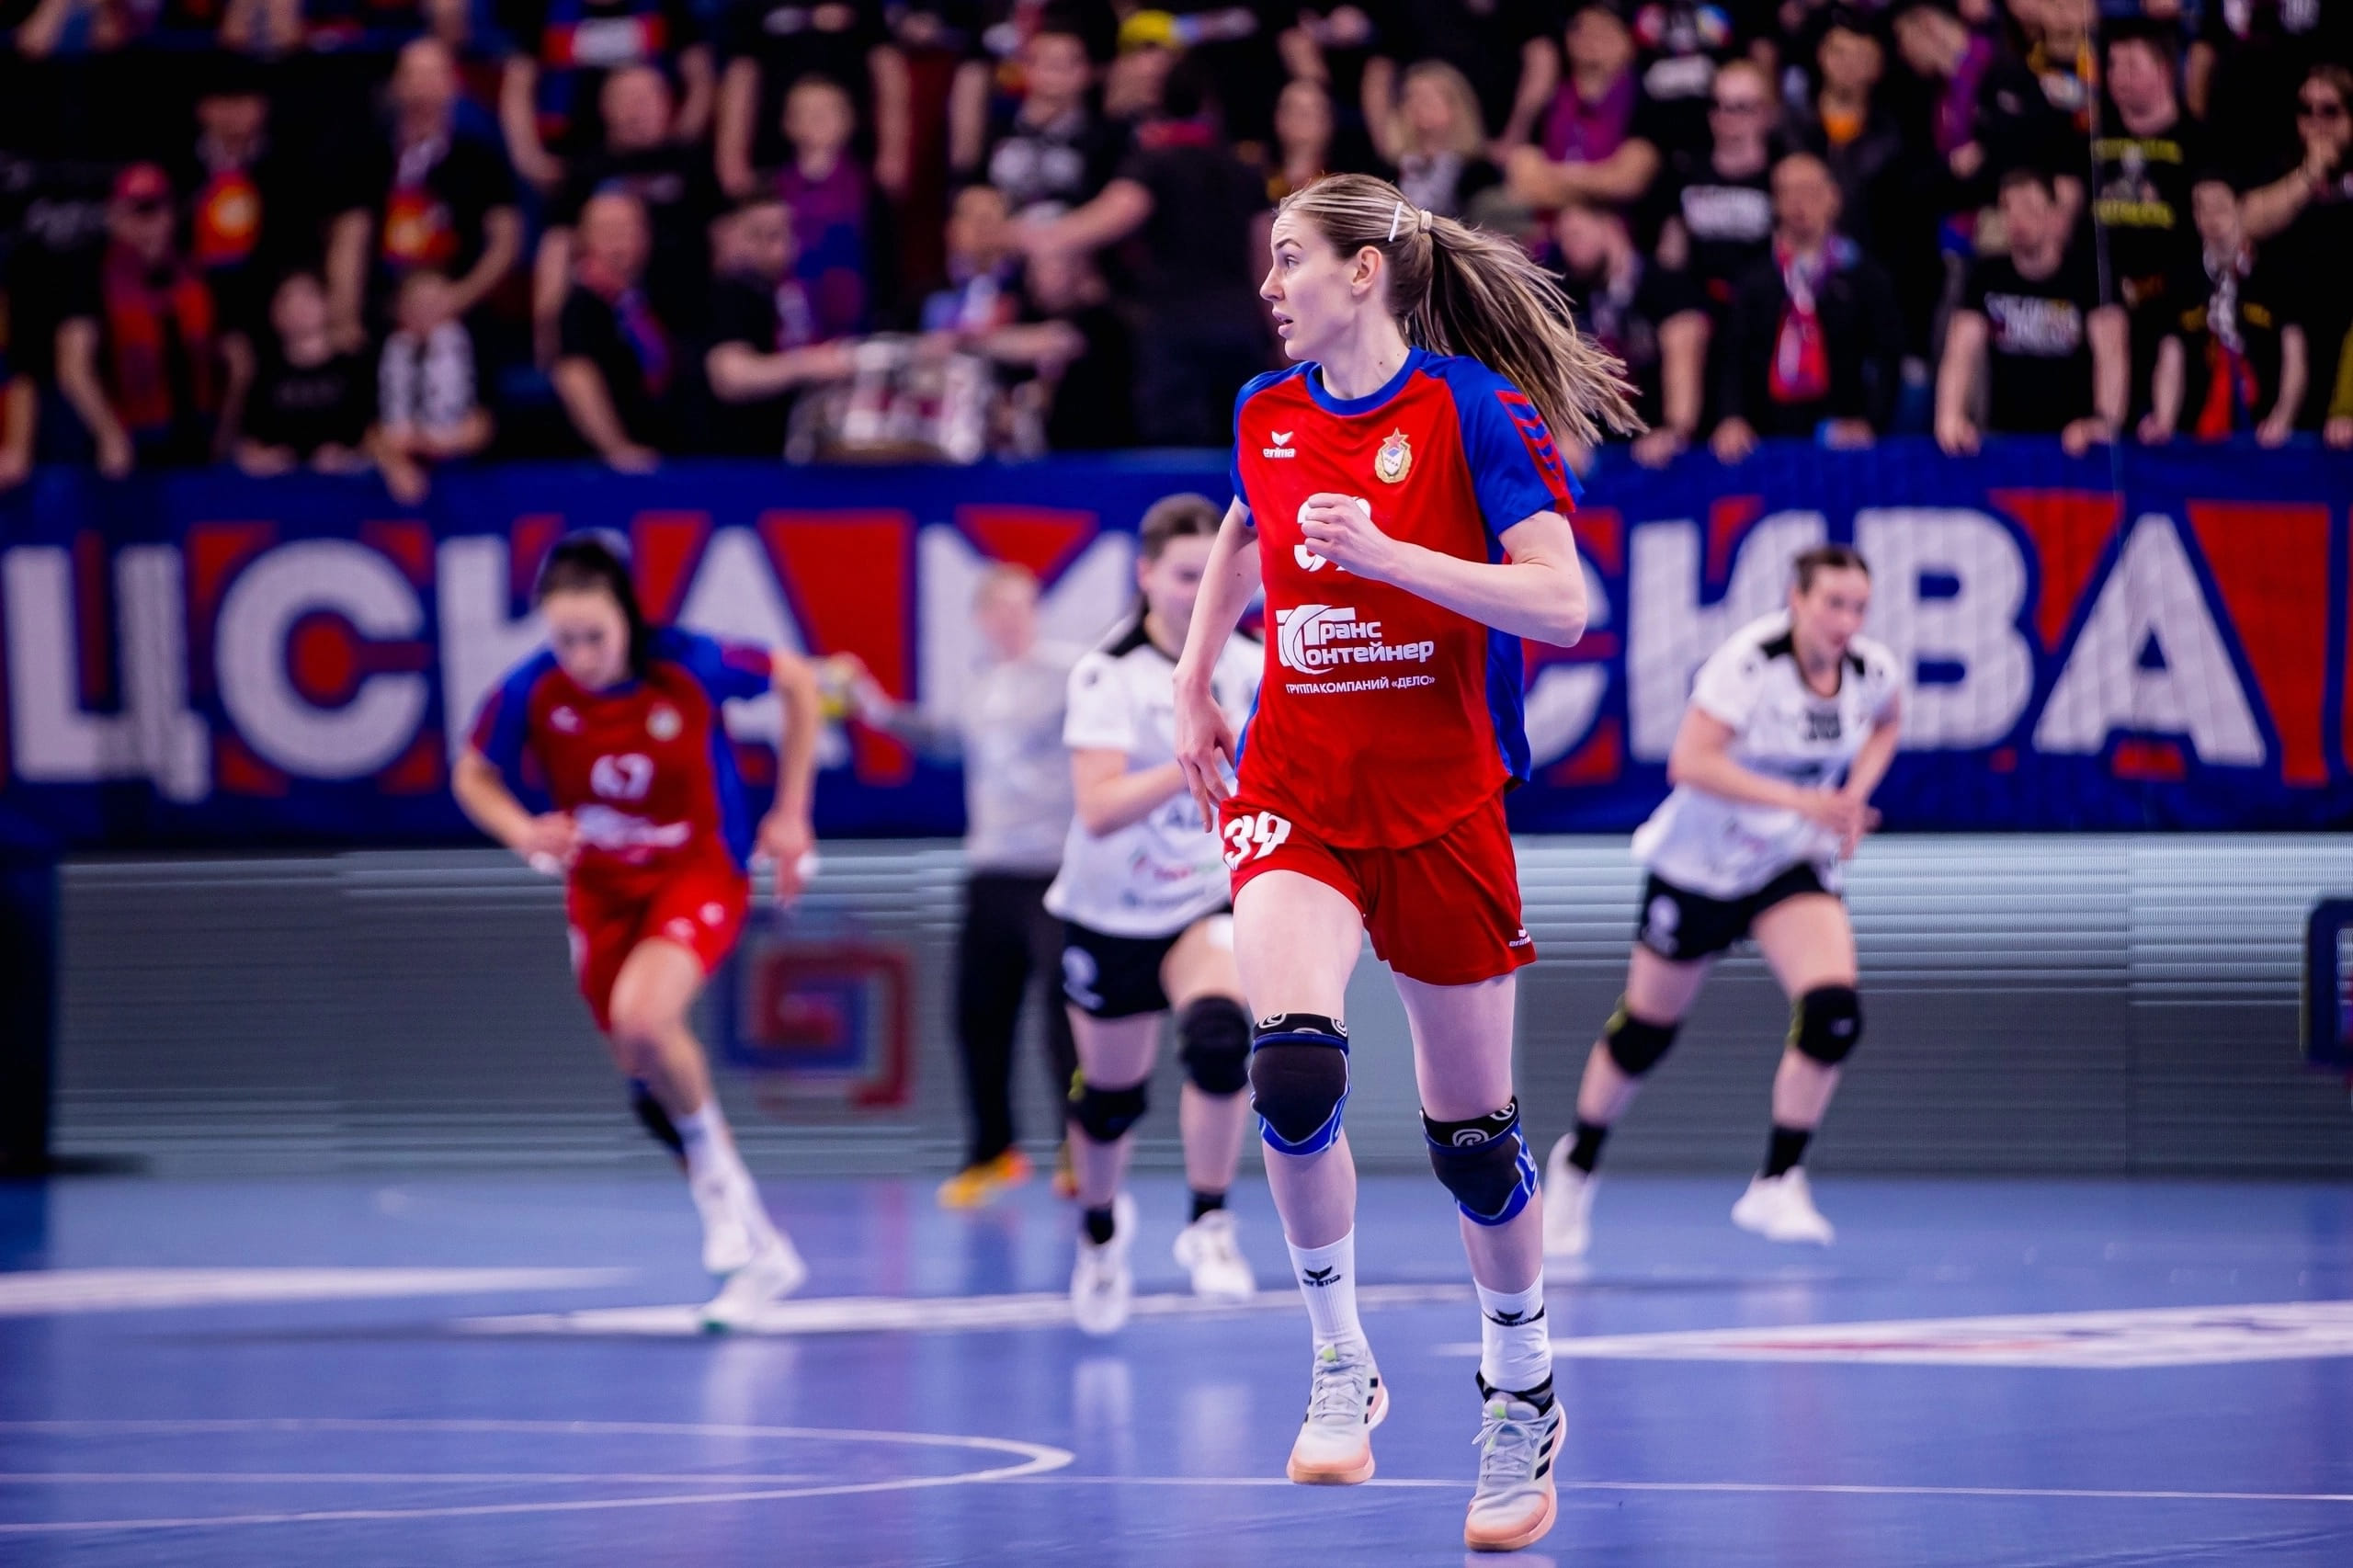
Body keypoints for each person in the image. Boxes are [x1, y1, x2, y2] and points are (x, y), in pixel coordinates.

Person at [1171, 172, 1639, 1552]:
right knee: (1291, 1068)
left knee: (1473, 1143)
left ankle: (1522, 1383)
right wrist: (1195, 673)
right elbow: (1247, 525)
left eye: (1291, 258)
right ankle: (1338, 1356)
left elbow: (1561, 602)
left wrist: (1392, 557)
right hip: (1297, 789)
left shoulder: (1470, 411)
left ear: (1364, 270)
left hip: (1442, 805)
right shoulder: (1266, 411)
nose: (1270, 285)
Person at [454, 531, 823, 1329]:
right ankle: (760, 1247)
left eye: (595, 636)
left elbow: (797, 679)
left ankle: (724, 1200)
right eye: (565, 640)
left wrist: (792, 811)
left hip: (698, 869)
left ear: (626, 617)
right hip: (600, 893)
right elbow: (474, 772)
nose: (581, 656)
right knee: (643, 1069)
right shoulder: (534, 690)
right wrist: (521, 830)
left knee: (646, 1019)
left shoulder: (687, 664)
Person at [1541, 544, 1903, 1261]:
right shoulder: (1750, 665)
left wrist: (1849, 800)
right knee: (1646, 1032)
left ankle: (1778, 1179)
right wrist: (1803, 799)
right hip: (1700, 865)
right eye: (1832, 604)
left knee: (1833, 1012)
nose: (1845, 621)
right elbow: (1691, 762)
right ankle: (1577, 1163)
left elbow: (1888, 723)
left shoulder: (1872, 671)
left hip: (1787, 863)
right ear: (1797, 601)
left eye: (1858, 607)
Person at [1051, 494, 1265, 1329]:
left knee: (1219, 1039)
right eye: (1183, 574)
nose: (1197, 590)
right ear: (1145, 576)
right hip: (1110, 911)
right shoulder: (1107, 673)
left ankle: (1209, 1222)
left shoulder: (1250, 662)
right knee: (1109, 1098)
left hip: (1201, 896)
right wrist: (1191, 756)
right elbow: (1098, 807)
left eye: (1212, 572)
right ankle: (1101, 1234)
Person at [850, 565, 1084, 1209]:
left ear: (1035, 612)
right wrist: (873, 707)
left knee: (1065, 1015)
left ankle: (1080, 1146)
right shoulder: (978, 686)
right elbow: (942, 741)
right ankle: (992, 1152)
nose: (1012, 620)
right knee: (977, 1016)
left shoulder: (1073, 673)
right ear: (981, 619)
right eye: (999, 609)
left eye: (1022, 607)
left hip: (1057, 871)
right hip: (990, 872)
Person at [1711, 152, 1903, 460]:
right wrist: (1732, 419)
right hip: (1766, 437)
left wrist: (1870, 423)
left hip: (1844, 434)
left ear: (1834, 198)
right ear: (1775, 203)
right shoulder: (1754, 280)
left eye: (1810, 191)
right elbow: (1733, 357)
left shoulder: (1865, 276)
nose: (1799, 203)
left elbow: (1887, 357)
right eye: (1787, 192)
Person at [1936, 165, 2127, 456]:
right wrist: (1950, 416)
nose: (2017, 219)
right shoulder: (1986, 276)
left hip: (2076, 444)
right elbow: (1960, 351)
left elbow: (2112, 354)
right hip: (2005, 439)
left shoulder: (2089, 277)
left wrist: (2102, 421)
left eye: (2028, 208)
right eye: (2008, 208)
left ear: (2054, 215)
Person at [54, 163, 229, 476]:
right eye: (139, 213)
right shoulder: (92, 275)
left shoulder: (196, 272)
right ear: (115, 217)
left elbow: (235, 358)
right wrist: (110, 435)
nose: (152, 224)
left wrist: (226, 432)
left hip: (198, 445)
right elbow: (73, 366)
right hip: (128, 452)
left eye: (160, 210)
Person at [2140, 178, 2307, 448]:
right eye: (2201, 208)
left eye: (2219, 207)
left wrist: (2282, 418)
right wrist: (2163, 419)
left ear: (2241, 207)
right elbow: (2171, 353)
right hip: (2198, 434)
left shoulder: (2277, 276)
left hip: (2264, 434)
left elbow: (2295, 354)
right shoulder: (2181, 279)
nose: (2210, 219)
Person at [1552, 197, 1707, 468]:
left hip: (1665, 442)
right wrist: (1561, 432)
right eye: (1562, 239)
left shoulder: (1665, 284)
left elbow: (1684, 355)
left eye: (1576, 235)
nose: (1568, 248)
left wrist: (1674, 430)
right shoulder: (1570, 295)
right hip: (1603, 446)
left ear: (1612, 228)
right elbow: (1551, 370)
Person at [697, 195, 858, 457]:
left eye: (786, 233)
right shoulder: (732, 294)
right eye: (764, 235)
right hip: (738, 462)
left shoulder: (787, 294)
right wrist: (811, 364)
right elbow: (729, 375)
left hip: (782, 456)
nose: (780, 245)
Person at [553, 191, 676, 468]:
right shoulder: (581, 304)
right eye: (607, 231)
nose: (620, 241)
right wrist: (618, 449)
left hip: (664, 454)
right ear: (584, 240)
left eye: (629, 228)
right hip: (608, 470)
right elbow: (576, 377)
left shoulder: (649, 297)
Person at [379, 267, 496, 471]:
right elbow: (372, 430)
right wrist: (394, 459)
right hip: (396, 461)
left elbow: (484, 424)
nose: (428, 310)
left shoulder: (478, 345)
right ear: (401, 307)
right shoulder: (382, 349)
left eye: (436, 301)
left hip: (463, 461)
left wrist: (442, 441)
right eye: (419, 302)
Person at [1374, 60, 1505, 222]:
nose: (1418, 104)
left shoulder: (1480, 172)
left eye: (1428, 97)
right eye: (1411, 97)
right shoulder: (1387, 171)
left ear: (1456, 106)